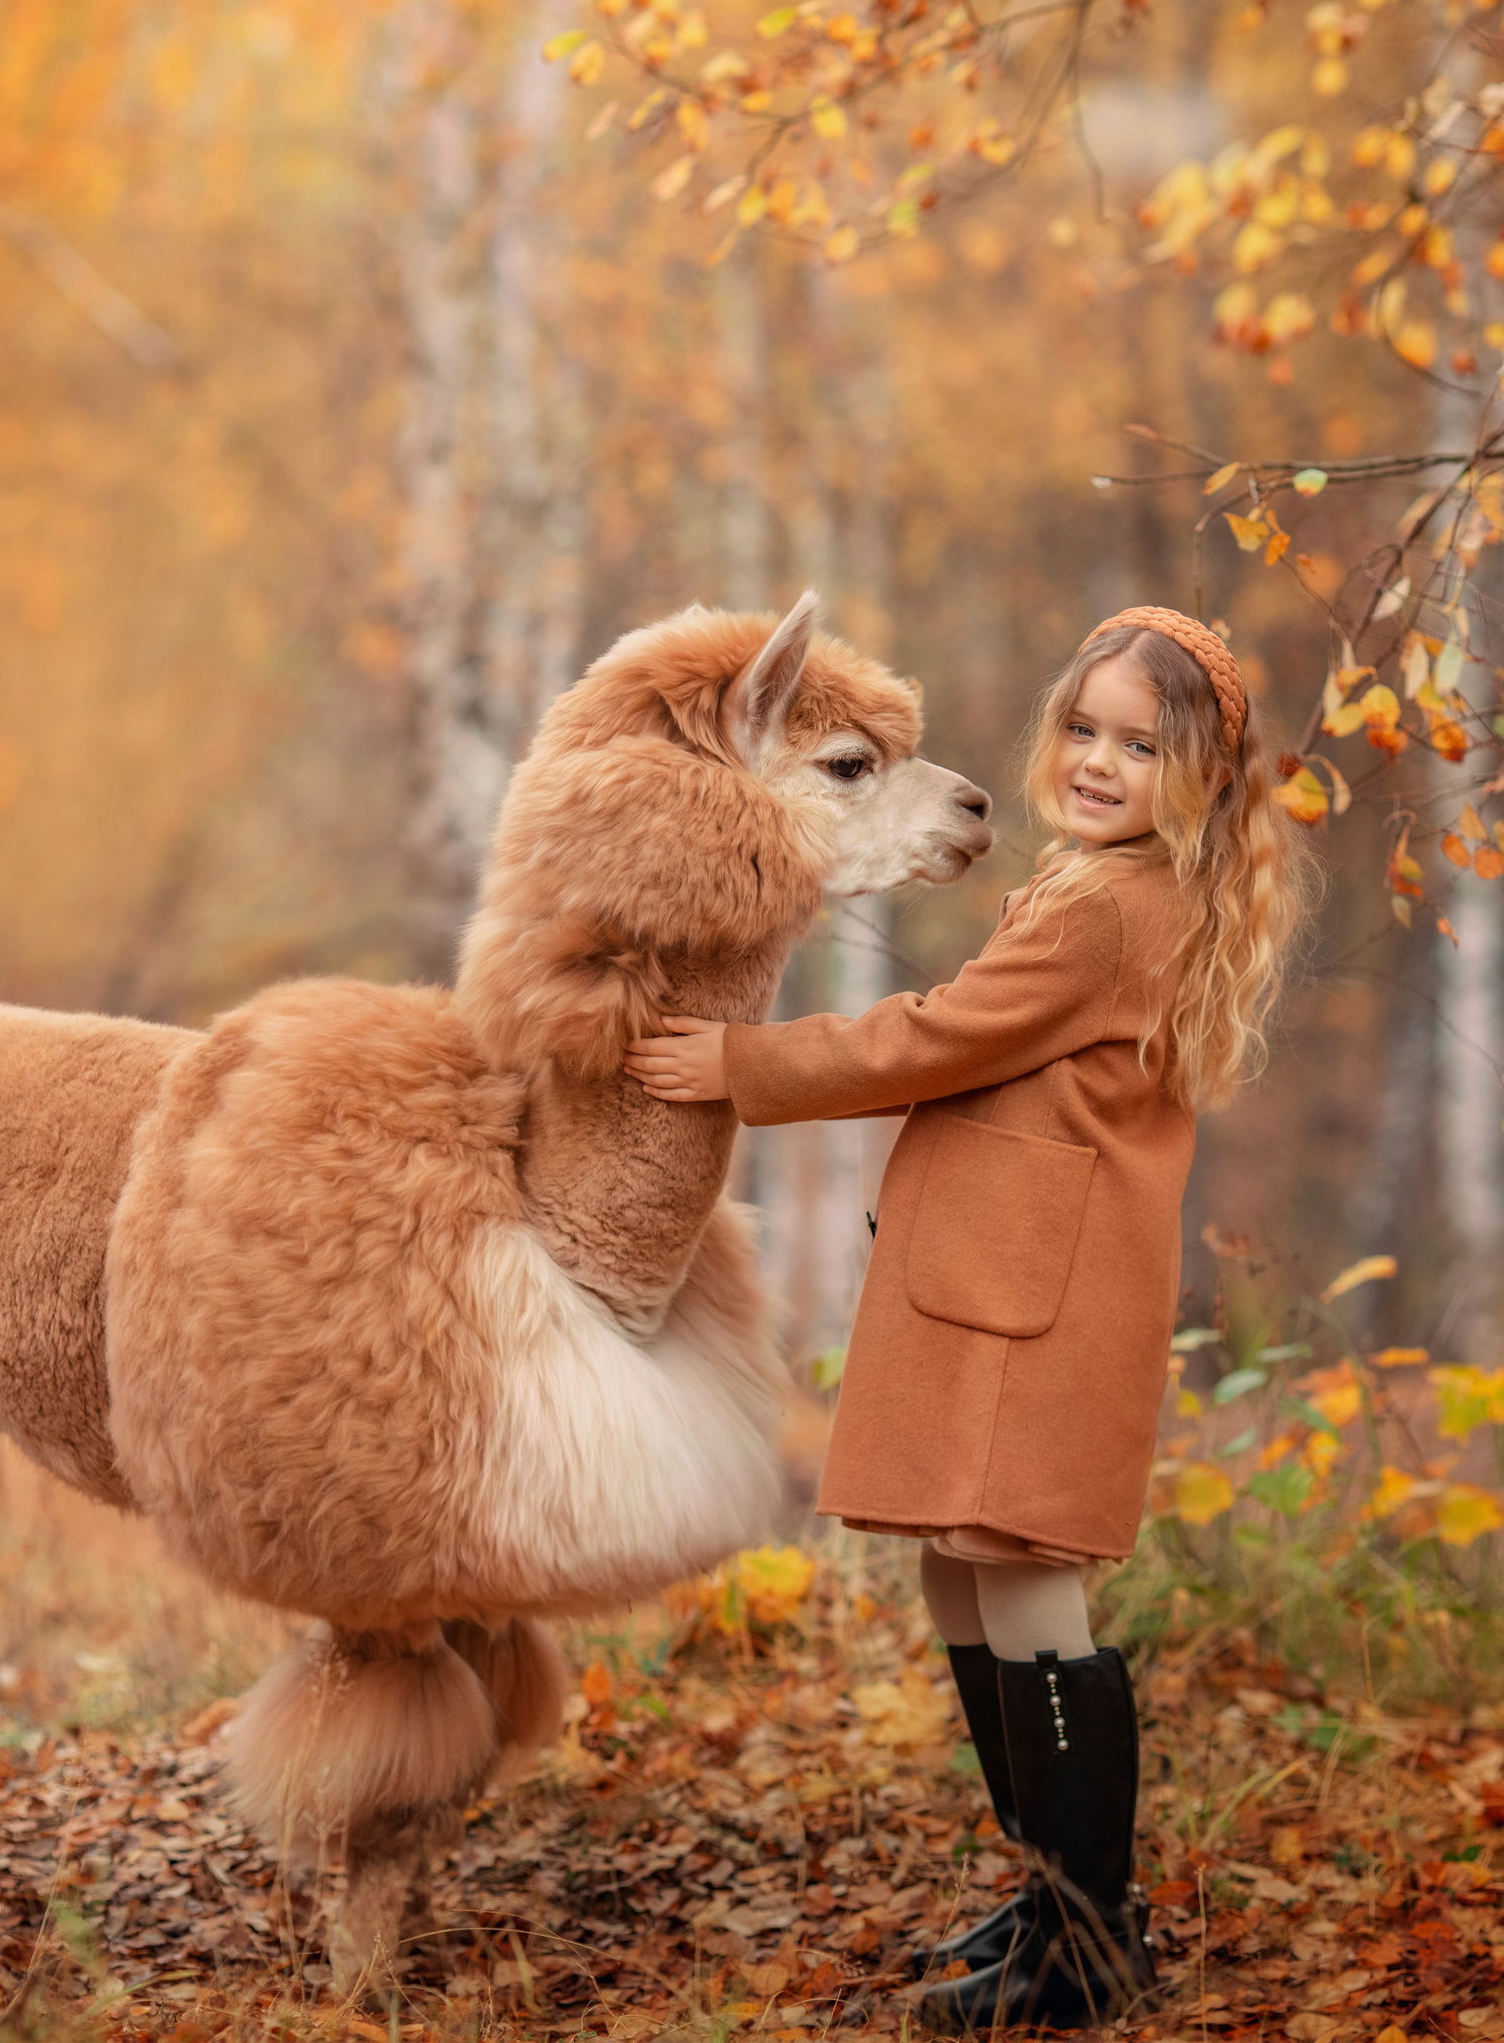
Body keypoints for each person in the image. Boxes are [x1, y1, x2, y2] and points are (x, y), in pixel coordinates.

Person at [626, 607, 1311, 2031]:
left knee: (1022, 1573)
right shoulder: (1097, 884)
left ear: (1197, 775)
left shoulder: (1118, 908)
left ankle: (1088, 1944)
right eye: (1085, 731)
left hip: (1036, 1303)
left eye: (1142, 744)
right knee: (962, 1568)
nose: (1101, 762)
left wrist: (742, 1065)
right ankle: (1056, 1897)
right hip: (1000, 1280)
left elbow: (932, 1035)